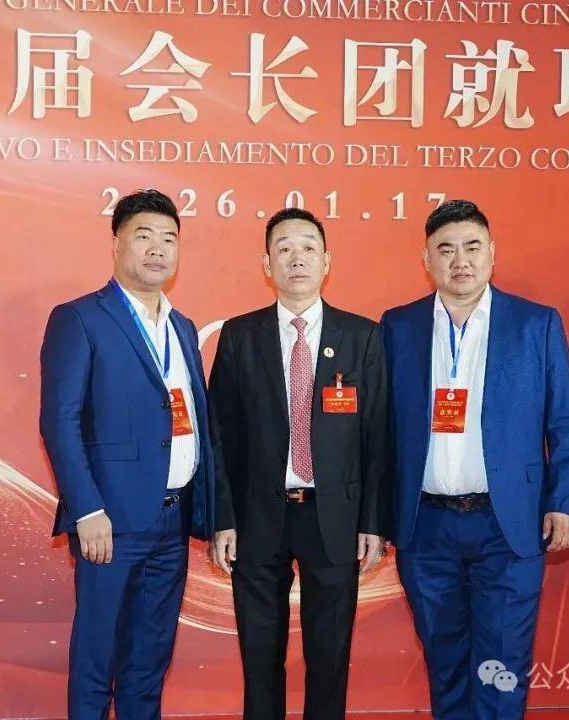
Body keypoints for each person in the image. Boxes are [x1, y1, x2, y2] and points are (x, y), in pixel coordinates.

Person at [380, 199, 569, 720]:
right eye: (446, 250)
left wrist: (564, 502)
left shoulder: (535, 324)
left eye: (472, 247)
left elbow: (564, 420)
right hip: (426, 527)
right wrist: (374, 516)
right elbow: (378, 432)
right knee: (446, 665)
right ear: (426, 260)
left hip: (507, 524)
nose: (460, 261)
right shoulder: (398, 327)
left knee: (501, 666)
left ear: (492, 253)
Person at [208, 207, 389, 720]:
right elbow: (219, 437)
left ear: (327, 261)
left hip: (334, 517)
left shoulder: (361, 336)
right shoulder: (240, 336)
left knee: (329, 658)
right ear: (267, 265)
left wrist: (373, 522)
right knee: (260, 658)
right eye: (283, 248)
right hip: (257, 518)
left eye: (308, 247)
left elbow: (377, 436)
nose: (297, 258)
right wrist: (222, 518)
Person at [39, 188, 214, 720]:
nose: (157, 249)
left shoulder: (182, 327)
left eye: (169, 239)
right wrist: (87, 509)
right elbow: (59, 421)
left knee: (149, 661)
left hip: (173, 520)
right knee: (98, 659)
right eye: (144, 236)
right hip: (110, 523)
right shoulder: (80, 318)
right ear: (116, 243)